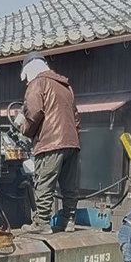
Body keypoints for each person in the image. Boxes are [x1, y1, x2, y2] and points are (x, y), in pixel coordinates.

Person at [13, 53, 81, 234]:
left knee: (44, 182)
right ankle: (69, 220)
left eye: (26, 79)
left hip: (50, 142)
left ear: (29, 71)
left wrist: (23, 128)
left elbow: (34, 112)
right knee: (69, 185)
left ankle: (41, 222)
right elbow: (76, 118)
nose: (26, 83)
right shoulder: (65, 86)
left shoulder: (38, 82)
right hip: (72, 143)